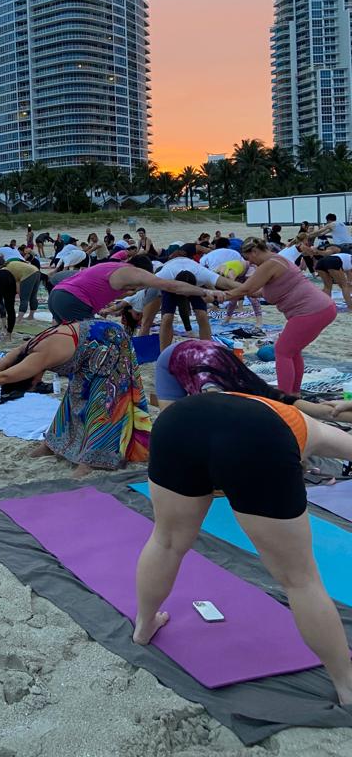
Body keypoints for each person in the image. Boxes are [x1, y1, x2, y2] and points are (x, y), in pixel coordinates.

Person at [132, 391, 352, 704]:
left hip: (178, 424)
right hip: (255, 441)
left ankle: (143, 626)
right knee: (300, 578)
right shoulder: (309, 429)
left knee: (166, 540)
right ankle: (346, 684)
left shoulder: (263, 407)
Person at [0, 320, 150, 474]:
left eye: (33, 383)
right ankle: (54, 445)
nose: (38, 382)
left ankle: (93, 459)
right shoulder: (28, 351)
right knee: (75, 395)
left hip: (111, 342)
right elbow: (0, 365)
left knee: (105, 401)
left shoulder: (39, 357)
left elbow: (5, 376)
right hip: (90, 347)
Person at [226, 238, 337, 393]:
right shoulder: (277, 260)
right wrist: (226, 286)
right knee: (292, 351)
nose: (250, 262)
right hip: (321, 308)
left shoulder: (270, 264)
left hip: (311, 311)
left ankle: (284, 397)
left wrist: (221, 295)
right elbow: (254, 291)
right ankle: (294, 393)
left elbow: (246, 289)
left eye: (248, 258)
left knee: (282, 351)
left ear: (255, 252)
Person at [154, 339, 344, 421]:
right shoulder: (212, 391)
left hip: (213, 353)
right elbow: (170, 418)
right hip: (173, 358)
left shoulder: (249, 383)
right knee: (173, 418)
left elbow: (319, 411)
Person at [47, 257, 220, 325]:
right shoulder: (133, 272)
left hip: (56, 295)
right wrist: (204, 292)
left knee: (59, 334)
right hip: (72, 300)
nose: (136, 288)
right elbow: (171, 285)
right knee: (90, 340)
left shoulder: (111, 267)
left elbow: (93, 286)